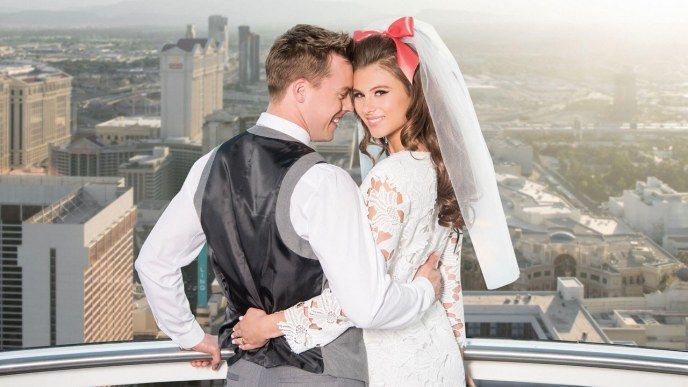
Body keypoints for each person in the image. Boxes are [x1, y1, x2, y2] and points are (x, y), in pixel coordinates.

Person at [134, 23, 443, 386]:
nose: (348, 108)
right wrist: (426, 291)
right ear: (300, 91)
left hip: (244, 374)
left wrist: (189, 336)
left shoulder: (209, 164)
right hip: (323, 375)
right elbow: (367, 306)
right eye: (342, 94)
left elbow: (153, 262)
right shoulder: (325, 182)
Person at [231, 17, 520, 386]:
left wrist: (266, 326)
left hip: (394, 364)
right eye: (358, 94)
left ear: (413, 94)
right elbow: (449, 280)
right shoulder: (439, 168)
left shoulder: (390, 177)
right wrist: (459, 361)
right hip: (439, 357)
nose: (366, 108)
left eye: (381, 92)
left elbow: (357, 302)